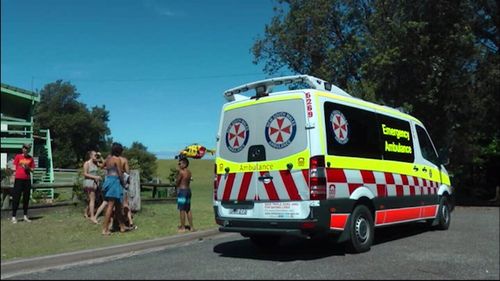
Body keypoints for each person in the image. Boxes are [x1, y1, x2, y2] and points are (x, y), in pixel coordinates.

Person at [100, 142, 130, 235]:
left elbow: (102, 167)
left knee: (118, 206)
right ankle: (104, 229)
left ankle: (122, 226)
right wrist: (123, 182)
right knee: (110, 206)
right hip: (114, 182)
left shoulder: (108, 159)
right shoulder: (117, 159)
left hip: (108, 180)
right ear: (119, 151)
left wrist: (110, 169)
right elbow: (120, 173)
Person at [11, 143, 36, 223]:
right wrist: (13, 176)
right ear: (22, 148)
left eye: (27, 148)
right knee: (16, 197)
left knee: (26, 198)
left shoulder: (30, 158)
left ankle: (25, 216)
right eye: (24, 148)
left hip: (27, 180)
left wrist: (28, 167)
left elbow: (33, 170)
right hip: (18, 179)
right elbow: (14, 168)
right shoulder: (18, 156)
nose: (26, 149)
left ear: (29, 150)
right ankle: (14, 217)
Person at [82, 150, 103, 224]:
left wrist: (100, 157)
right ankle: (92, 217)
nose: (96, 156)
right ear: (90, 156)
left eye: (96, 155)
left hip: (95, 183)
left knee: (93, 199)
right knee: (92, 199)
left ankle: (86, 212)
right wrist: (95, 177)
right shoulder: (87, 163)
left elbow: (103, 165)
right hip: (89, 183)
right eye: (95, 155)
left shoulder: (96, 163)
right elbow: (85, 174)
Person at [176, 157, 195, 232]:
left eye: (180, 163)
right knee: (188, 209)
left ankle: (183, 227)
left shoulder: (181, 172)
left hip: (182, 191)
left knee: (182, 209)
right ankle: (191, 227)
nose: (179, 164)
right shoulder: (189, 172)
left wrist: (176, 187)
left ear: (185, 164)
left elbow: (178, 181)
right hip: (188, 191)